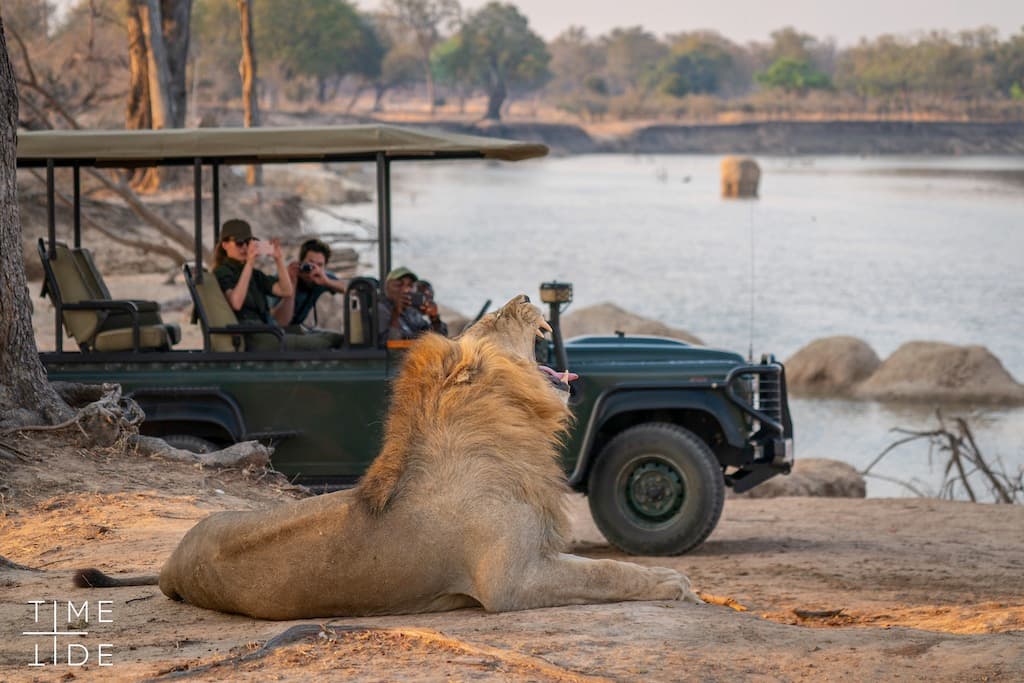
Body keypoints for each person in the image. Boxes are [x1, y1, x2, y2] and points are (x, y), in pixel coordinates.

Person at [212, 219, 342, 351]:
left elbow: (285, 291)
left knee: (337, 338)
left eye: (248, 242)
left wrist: (278, 259)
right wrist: (250, 263)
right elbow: (236, 302)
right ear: (225, 245)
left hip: (267, 331)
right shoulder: (222, 272)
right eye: (239, 243)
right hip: (253, 336)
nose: (245, 248)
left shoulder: (254, 275)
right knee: (324, 343)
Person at [277, 238, 347, 329]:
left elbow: (352, 288)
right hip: (276, 331)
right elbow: (278, 321)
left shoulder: (321, 277)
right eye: (310, 263)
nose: (314, 269)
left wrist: (327, 282)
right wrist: (291, 284)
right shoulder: (284, 278)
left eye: (319, 265)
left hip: (295, 328)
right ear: (301, 262)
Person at [377, 266, 448, 343]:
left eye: (410, 285)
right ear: (387, 288)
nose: (406, 289)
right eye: (398, 285)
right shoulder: (380, 309)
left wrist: (434, 318)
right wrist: (396, 313)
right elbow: (391, 343)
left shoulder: (411, 311)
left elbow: (439, 339)